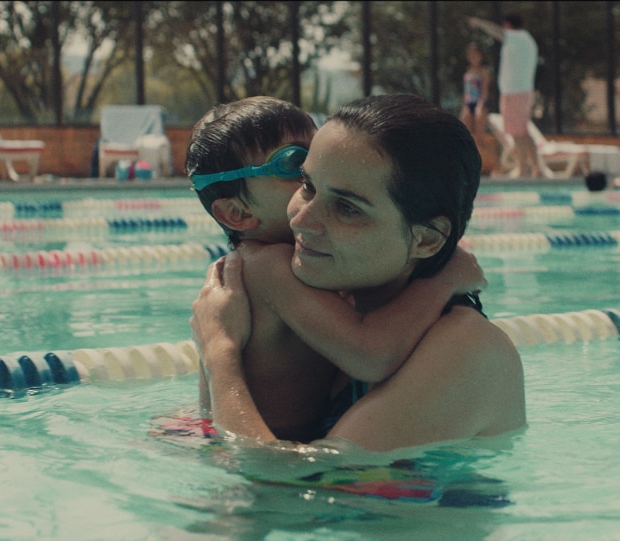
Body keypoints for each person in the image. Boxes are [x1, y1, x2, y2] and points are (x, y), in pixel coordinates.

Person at [190, 94, 526, 452]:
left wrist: (219, 354)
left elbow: (295, 486)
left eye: (348, 208)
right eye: (307, 185)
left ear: (427, 240)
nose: (300, 219)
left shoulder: (469, 352)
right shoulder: (341, 300)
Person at [469, 12, 540, 179]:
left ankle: (523, 169)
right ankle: (536, 168)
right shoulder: (527, 40)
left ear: (507, 25)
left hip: (515, 93)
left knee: (517, 132)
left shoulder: (517, 38)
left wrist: (479, 22)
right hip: (521, 91)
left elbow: (498, 33)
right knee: (522, 130)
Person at [459, 41, 491, 138]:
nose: (473, 57)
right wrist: (464, 105)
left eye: (475, 55)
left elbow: (485, 90)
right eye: (470, 55)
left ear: (480, 56)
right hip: (469, 103)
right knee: (465, 132)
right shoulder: (468, 70)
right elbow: (466, 91)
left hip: (480, 103)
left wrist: (480, 106)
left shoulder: (483, 71)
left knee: (479, 134)